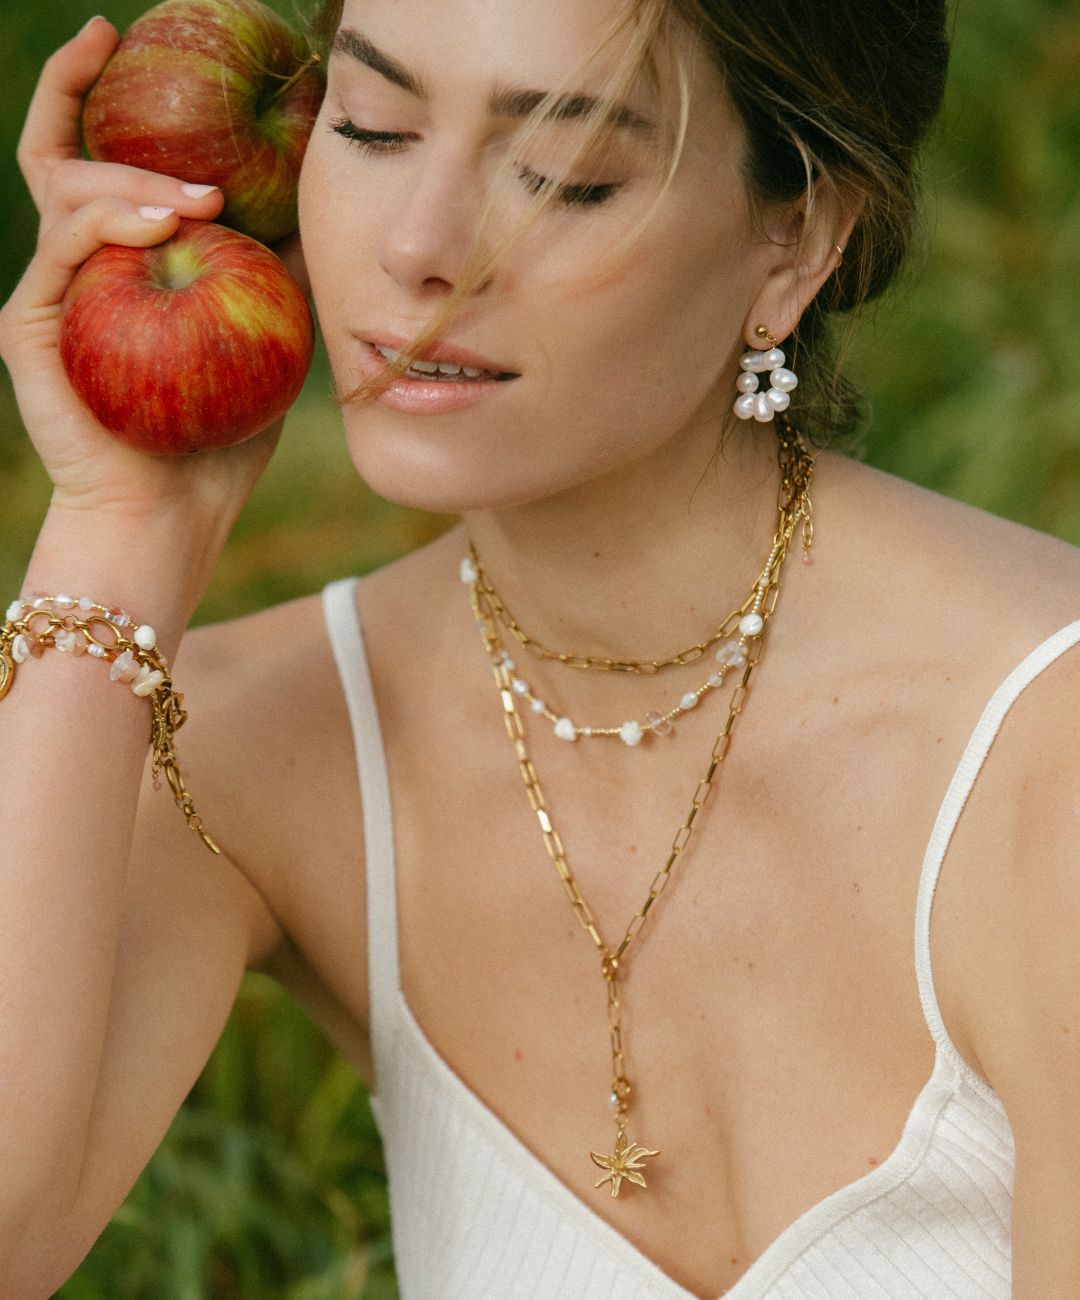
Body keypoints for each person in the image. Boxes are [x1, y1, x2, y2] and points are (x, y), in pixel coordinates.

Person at [1, 0, 1078, 1296]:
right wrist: (122, 532)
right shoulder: (265, 743)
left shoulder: (1039, 752)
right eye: (375, 129)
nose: (421, 249)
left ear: (794, 241)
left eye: (563, 175)